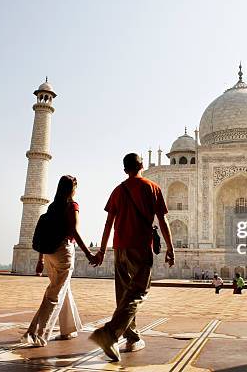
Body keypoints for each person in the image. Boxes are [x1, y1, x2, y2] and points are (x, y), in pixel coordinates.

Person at [89, 153, 174, 362]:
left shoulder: (118, 190)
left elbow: (108, 222)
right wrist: (170, 247)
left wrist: (102, 249)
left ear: (124, 169)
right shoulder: (152, 187)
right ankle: (110, 333)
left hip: (119, 247)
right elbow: (162, 221)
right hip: (139, 246)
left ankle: (132, 335)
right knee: (138, 291)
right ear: (142, 165)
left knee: (124, 294)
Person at [21, 175, 94, 347]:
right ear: (72, 189)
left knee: (62, 290)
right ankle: (38, 333)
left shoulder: (53, 206)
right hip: (63, 253)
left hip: (48, 254)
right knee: (54, 294)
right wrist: (89, 253)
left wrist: (40, 260)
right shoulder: (72, 205)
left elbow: (45, 233)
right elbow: (74, 232)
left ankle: (68, 329)